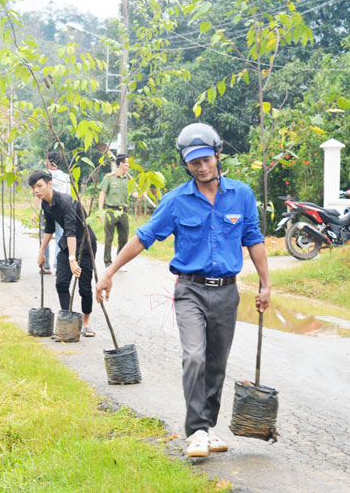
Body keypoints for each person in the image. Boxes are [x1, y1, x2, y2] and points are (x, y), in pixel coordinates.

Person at [95, 123, 271, 459]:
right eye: (194, 162)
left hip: (227, 292)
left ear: (218, 155)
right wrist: (110, 271)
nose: (202, 167)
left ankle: (208, 426)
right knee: (194, 357)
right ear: (186, 164)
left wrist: (266, 284)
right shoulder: (176, 201)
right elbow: (143, 237)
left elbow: (254, 240)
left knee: (217, 364)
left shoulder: (242, 195)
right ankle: (197, 431)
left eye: (207, 159)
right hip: (189, 290)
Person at [30, 169, 97, 338]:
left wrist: (73, 260)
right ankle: (68, 321)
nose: (36, 190)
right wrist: (41, 252)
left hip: (85, 244)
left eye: (39, 186)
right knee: (61, 283)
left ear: (49, 184)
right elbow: (49, 228)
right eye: (33, 188)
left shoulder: (66, 201)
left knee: (84, 288)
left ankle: (86, 323)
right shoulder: (46, 203)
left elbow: (71, 231)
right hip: (67, 245)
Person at [32, 150, 72, 274]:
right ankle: (58, 265)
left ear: (49, 162)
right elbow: (69, 195)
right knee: (60, 236)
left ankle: (46, 266)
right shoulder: (65, 176)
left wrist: (34, 212)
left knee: (45, 236)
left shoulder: (45, 176)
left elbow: (39, 196)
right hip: (62, 211)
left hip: (47, 210)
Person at [98, 154, 131, 268]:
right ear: (121, 164)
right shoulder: (109, 178)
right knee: (109, 238)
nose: (128, 165)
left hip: (123, 212)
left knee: (124, 238)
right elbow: (102, 194)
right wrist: (101, 211)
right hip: (111, 211)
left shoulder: (128, 179)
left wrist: (142, 192)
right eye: (127, 163)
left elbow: (134, 194)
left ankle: (119, 263)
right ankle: (108, 262)